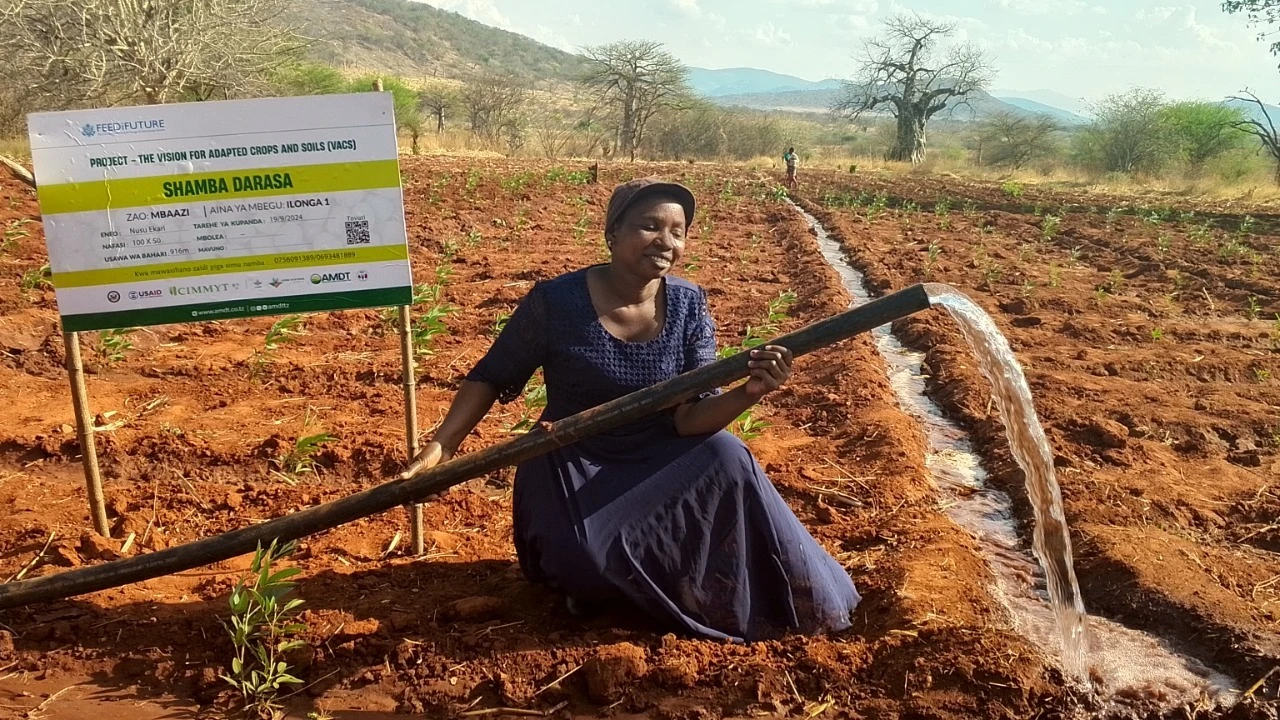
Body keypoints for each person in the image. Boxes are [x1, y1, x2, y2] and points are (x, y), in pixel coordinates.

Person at [411, 178, 860, 642]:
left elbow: (690, 417)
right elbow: (491, 375)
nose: (666, 242)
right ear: (612, 233)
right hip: (572, 456)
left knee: (728, 454)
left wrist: (751, 392)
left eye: (678, 231)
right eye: (649, 226)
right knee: (584, 565)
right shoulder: (557, 301)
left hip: (658, 453)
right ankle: (604, 572)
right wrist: (443, 446)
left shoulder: (688, 304)